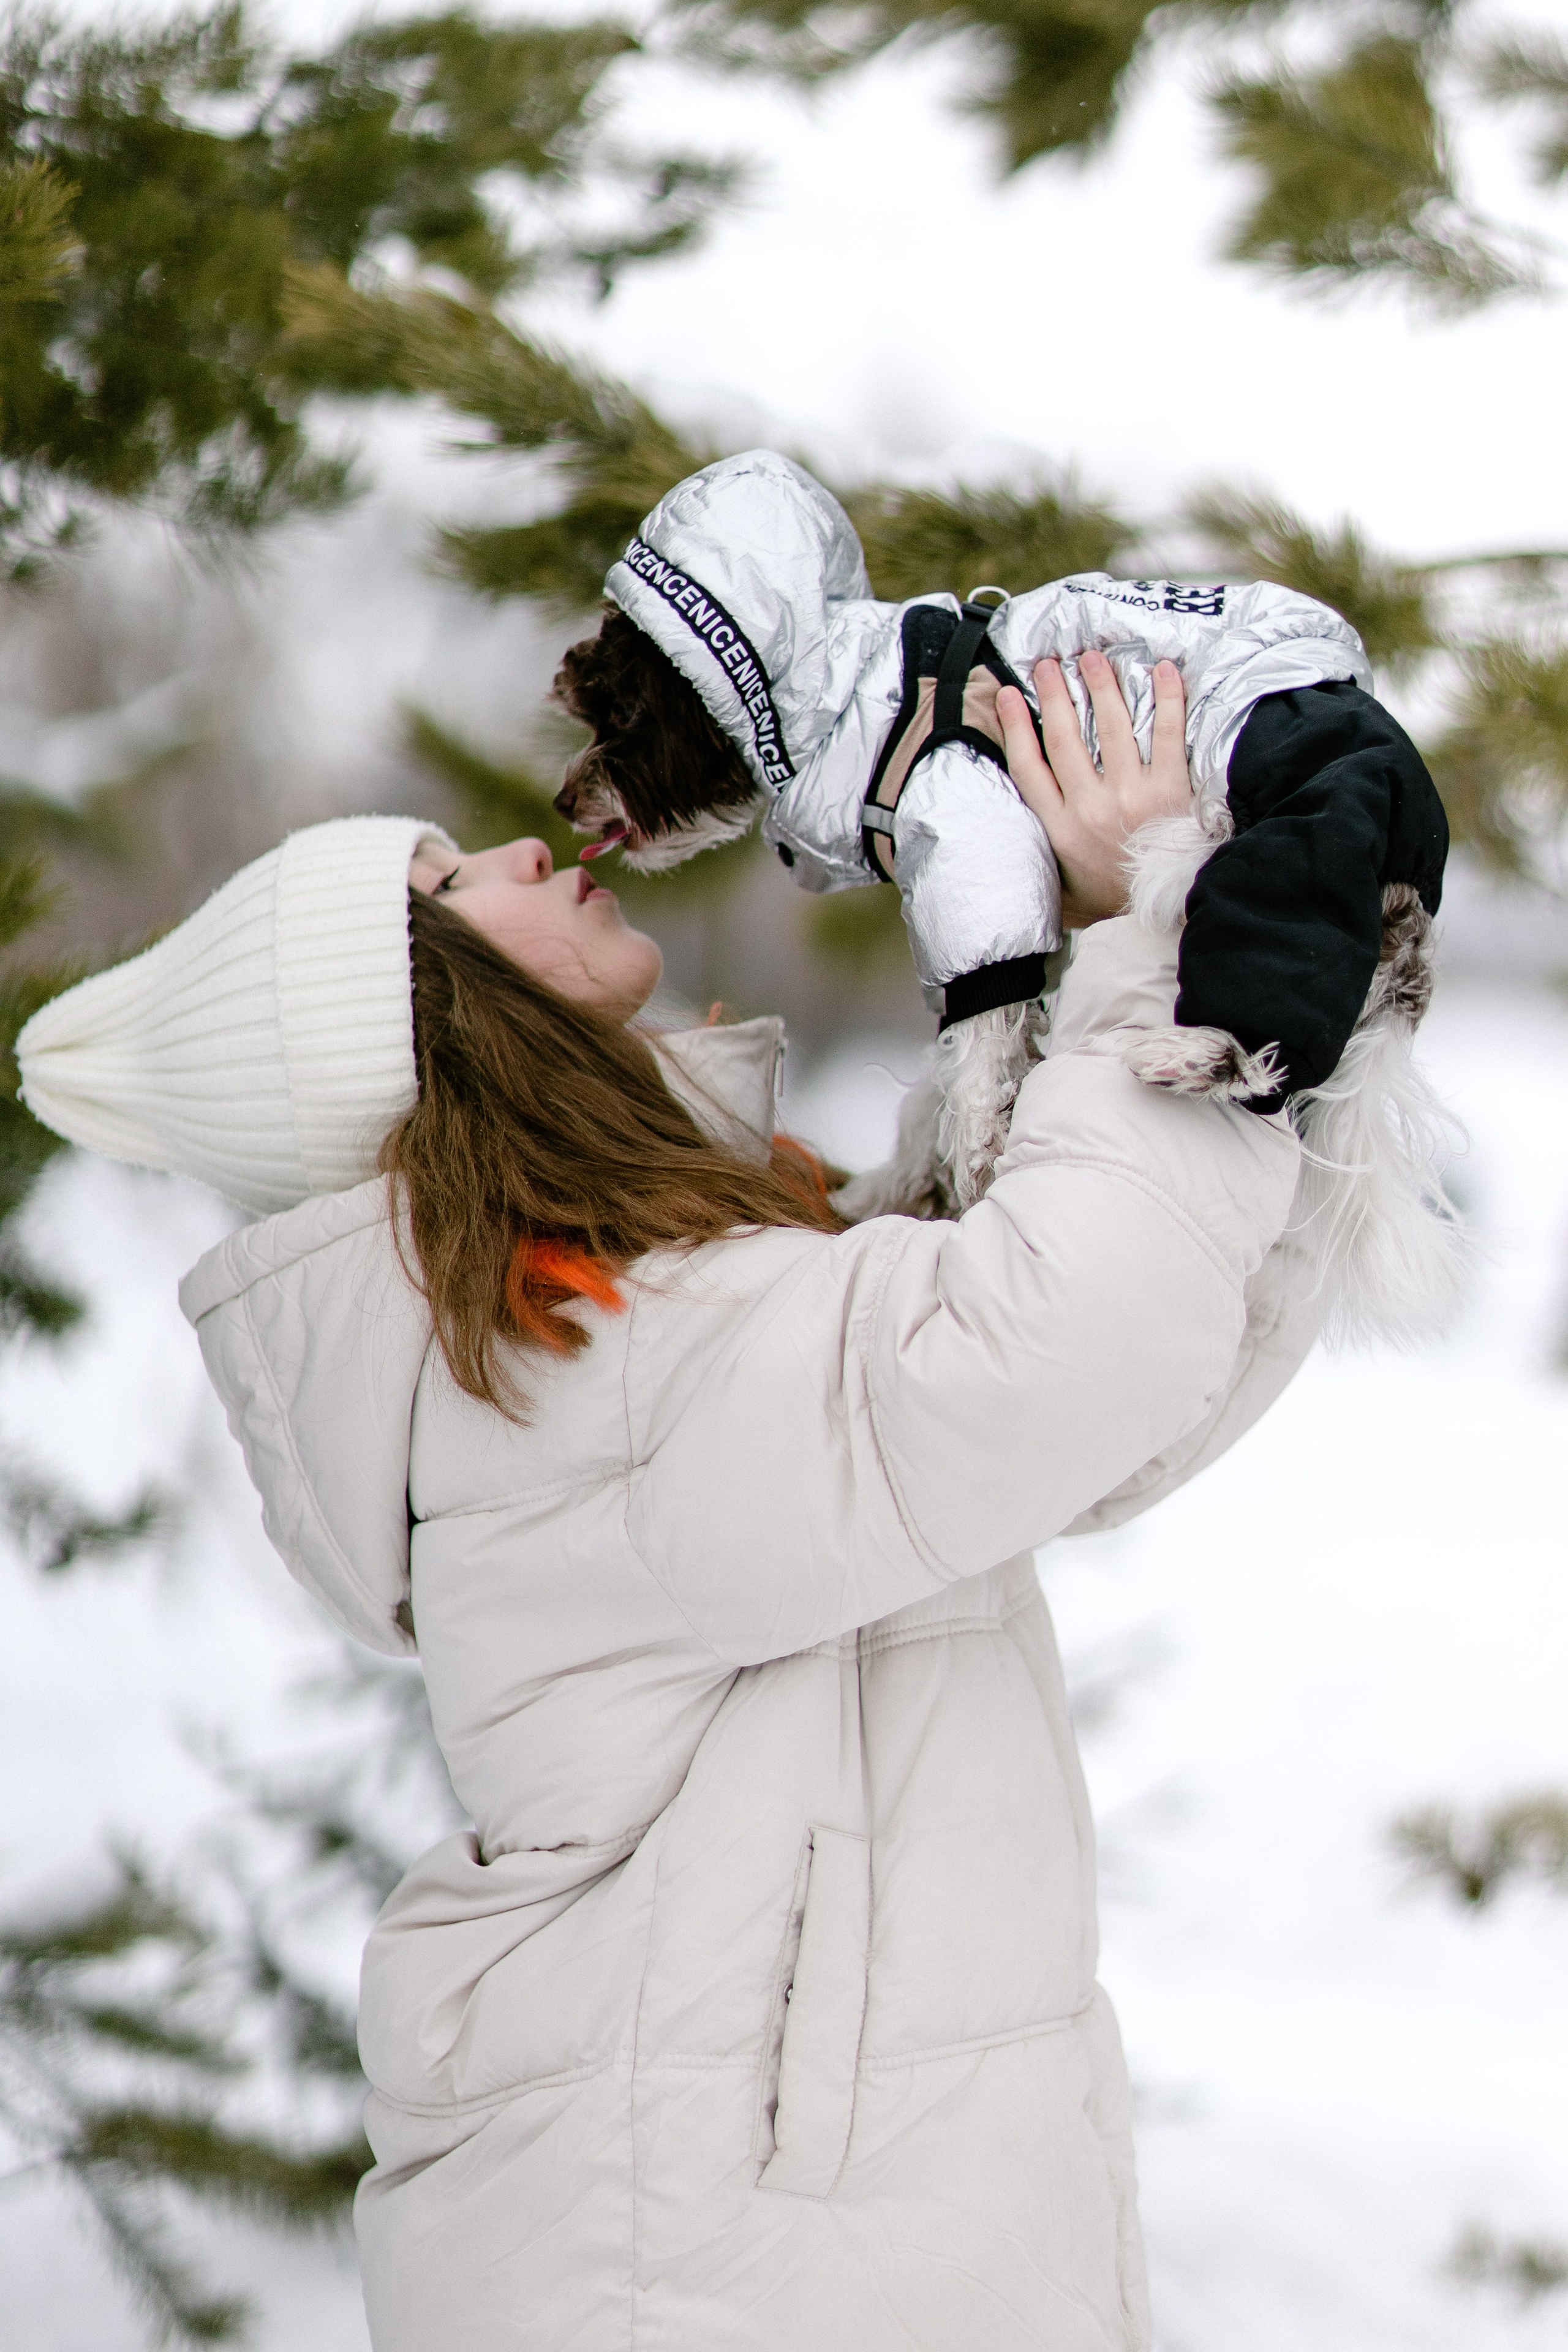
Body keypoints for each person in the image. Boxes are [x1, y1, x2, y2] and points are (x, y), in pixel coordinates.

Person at [18, 660, 1321, 2351]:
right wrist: (1183, 946)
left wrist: (1277, 1001)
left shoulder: (622, 1312)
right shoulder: (594, 1368)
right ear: (425, 1027)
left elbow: (1114, 1387)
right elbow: (1055, 1343)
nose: (508, 850)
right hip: (708, 2259)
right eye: (441, 891)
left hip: (732, 2229)